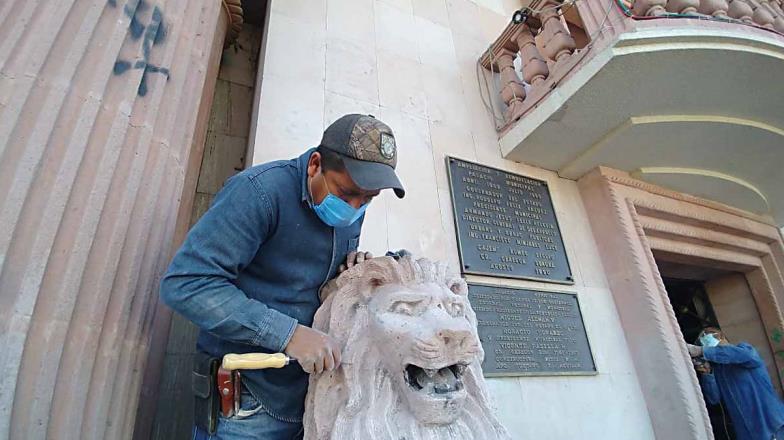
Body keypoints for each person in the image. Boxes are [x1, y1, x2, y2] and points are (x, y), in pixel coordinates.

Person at [160, 114, 405, 440]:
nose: (355, 208)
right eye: (347, 194)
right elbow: (187, 283)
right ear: (315, 165)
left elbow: (310, 286)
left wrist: (348, 276)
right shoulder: (258, 192)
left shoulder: (351, 212)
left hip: (307, 399)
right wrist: (288, 335)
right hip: (246, 406)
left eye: (367, 199)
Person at [687, 327, 784, 440]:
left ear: (722, 337)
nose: (704, 338)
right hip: (748, 433)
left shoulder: (744, 350)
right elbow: (714, 398)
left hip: (772, 425)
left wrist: (701, 351)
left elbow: (744, 356)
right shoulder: (718, 370)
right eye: (702, 339)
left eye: (708, 335)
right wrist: (707, 373)